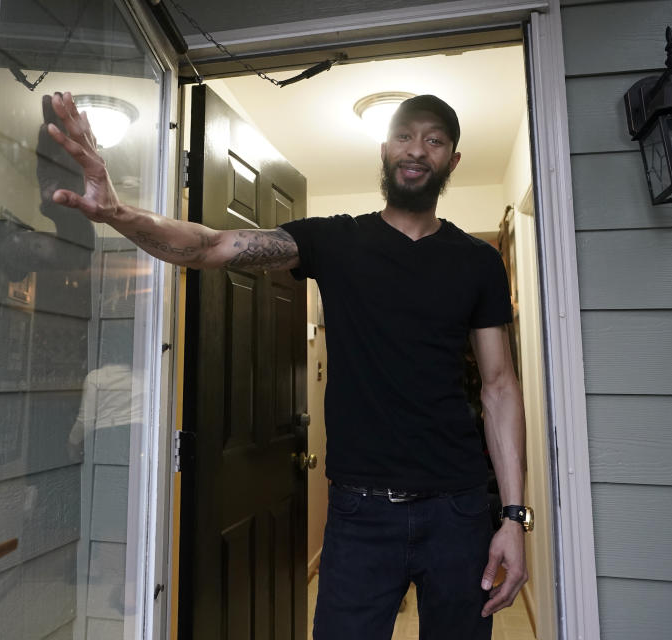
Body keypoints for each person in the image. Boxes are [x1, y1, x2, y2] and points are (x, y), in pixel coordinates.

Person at [45, 91, 530, 639]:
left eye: (434, 140)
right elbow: (212, 246)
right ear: (384, 148)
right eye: (404, 135)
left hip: (458, 512)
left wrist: (514, 518)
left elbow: (500, 387)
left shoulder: (478, 262)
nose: (416, 150)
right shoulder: (334, 240)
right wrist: (117, 211)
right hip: (360, 513)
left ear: (452, 160)